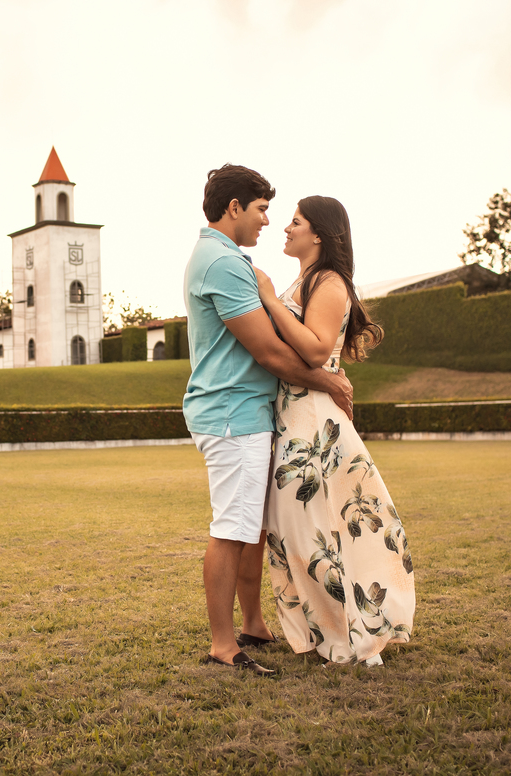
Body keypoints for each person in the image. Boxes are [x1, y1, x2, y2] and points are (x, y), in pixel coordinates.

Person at [183, 166, 355, 676]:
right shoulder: (223, 263)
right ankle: (222, 645)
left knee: (252, 530)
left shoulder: (231, 260)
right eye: (261, 209)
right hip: (233, 413)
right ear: (234, 207)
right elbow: (268, 352)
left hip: (247, 413)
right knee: (232, 529)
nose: (267, 221)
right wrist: (329, 380)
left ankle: (254, 624)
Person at [253, 196, 415, 666]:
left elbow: (318, 349)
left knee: (313, 527)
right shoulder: (304, 280)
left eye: (296, 221)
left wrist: (267, 299)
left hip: (314, 419)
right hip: (293, 413)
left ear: (318, 233)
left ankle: (350, 629)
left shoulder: (329, 281)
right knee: (297, 528)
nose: (285, 227)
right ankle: (329, 628)